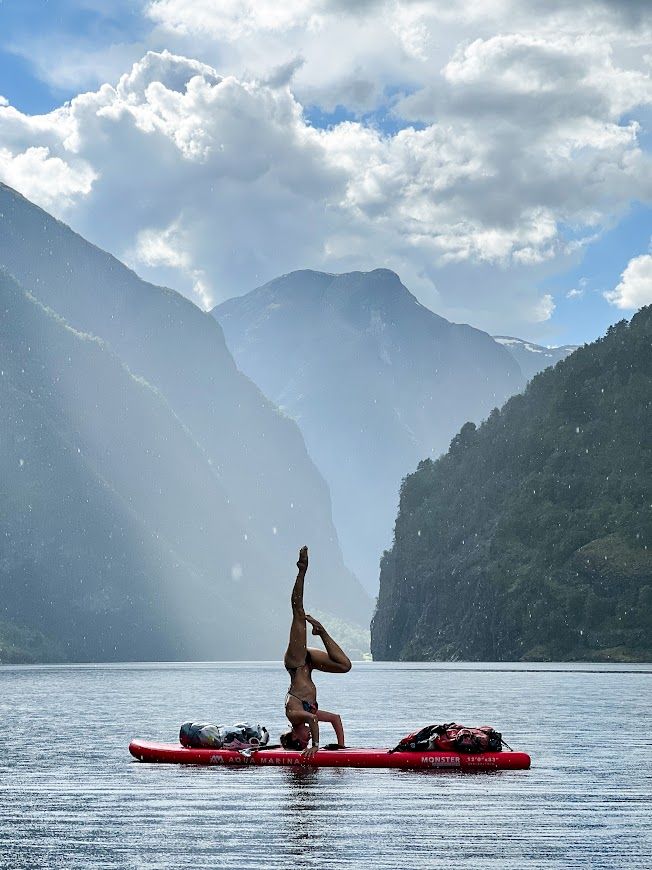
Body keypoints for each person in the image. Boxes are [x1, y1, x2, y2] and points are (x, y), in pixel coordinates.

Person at [281, 545, 352, 758]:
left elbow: (312, 720)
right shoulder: (307, 713)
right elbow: (335, 719)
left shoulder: (294, 714)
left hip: (296, 662)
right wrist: (341, 749)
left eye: (304, 741)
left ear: (295, 736)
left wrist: (316, 746)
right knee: (345, 666)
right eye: (308, 741)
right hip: (309, 663)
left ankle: (301, 570)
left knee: (298, 612)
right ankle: (321, 632)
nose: (308, 739)